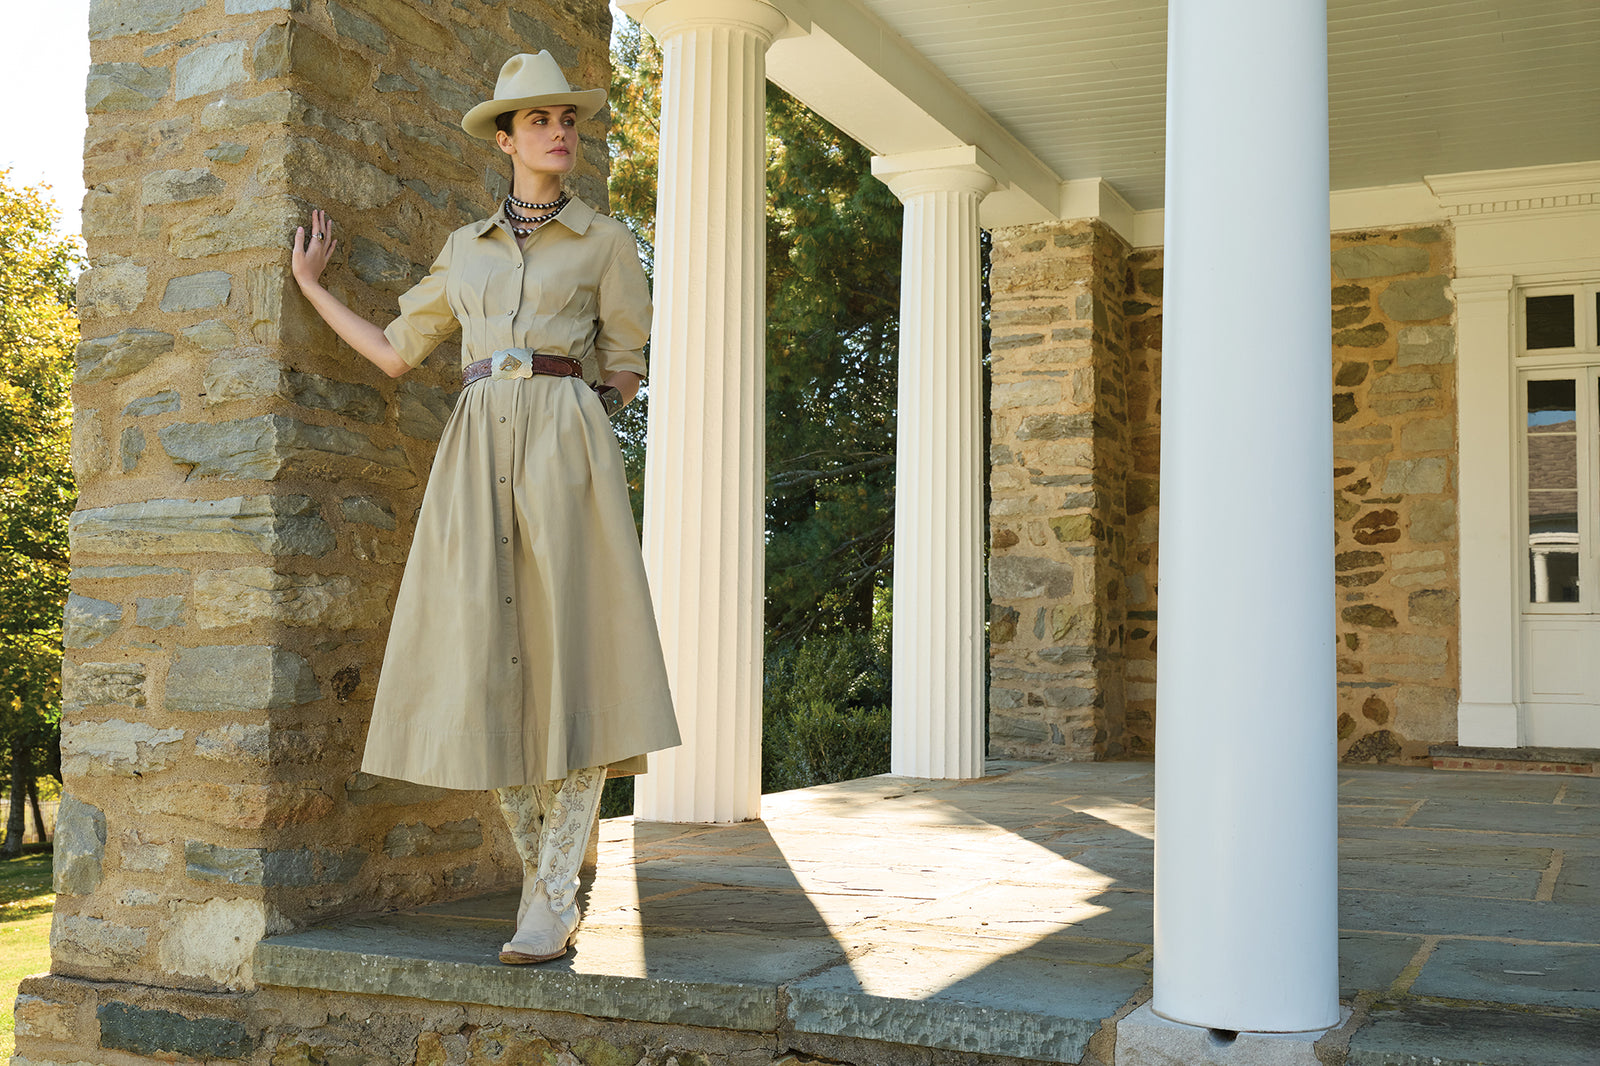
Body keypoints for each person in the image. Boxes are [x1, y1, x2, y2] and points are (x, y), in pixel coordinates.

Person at [290, 51, 681, 965]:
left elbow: (629, 357)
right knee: (483, 657)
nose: (561, 131)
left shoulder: (606, 241)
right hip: (473, 449)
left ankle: (550, 895)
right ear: (505, 138)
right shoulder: (464, 249)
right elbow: (395, 351)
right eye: (540, 120)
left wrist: (590, 411)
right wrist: (312, 287)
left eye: (569, 119)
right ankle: (542, 878)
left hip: (566, 448)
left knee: (573, 659)